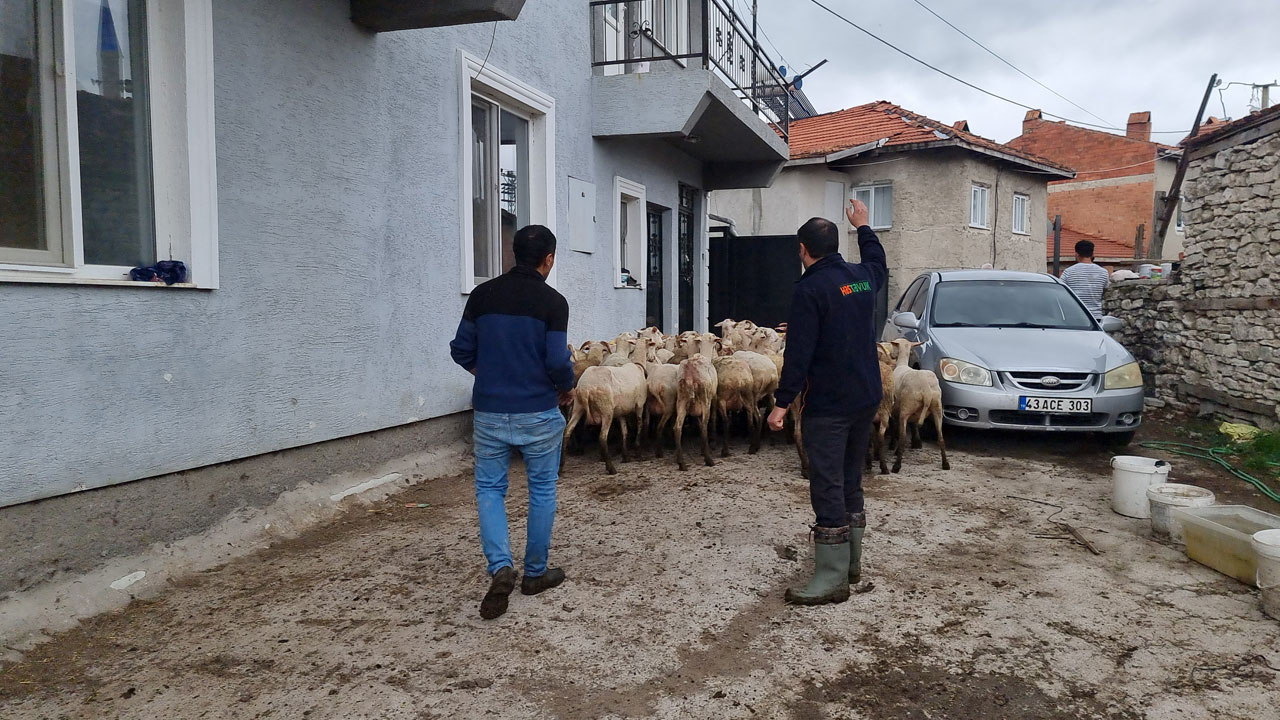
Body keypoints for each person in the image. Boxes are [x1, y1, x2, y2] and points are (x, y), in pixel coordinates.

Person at [449, 224, 575, 620]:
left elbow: (461, 349)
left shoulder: (482, 295)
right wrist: (566, 387)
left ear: (512, 253)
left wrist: (487, 374)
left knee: (489, 489)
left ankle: (501, 567)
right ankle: (534, 573)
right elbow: (557, 360)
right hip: (538, 411)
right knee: (542, 489)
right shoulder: (553, 302)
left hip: (489, 411)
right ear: (548, 259)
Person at [766, 199, 887, 606]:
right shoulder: (862, 278)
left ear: (803, 249)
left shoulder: (810, 289)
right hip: (865, 397)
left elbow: (799, 353)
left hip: (830, 405)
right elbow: (877, 261)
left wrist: (781, 404)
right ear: (836, 245)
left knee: (828, 483)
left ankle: (832, 578)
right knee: (851, 478)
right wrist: (864, 225)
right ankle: (851, 564)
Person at [1060, 239, 1110, 319]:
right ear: (1092, 254)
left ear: (1076, 254)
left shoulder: (1068, 272)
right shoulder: (1103, 272)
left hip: (1075, 317)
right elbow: (1104, 292)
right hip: (1095, 318)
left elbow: (1060, 291)